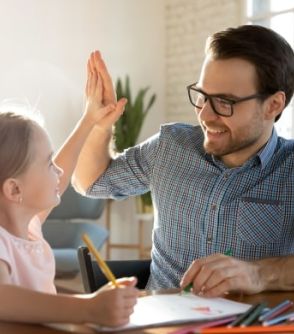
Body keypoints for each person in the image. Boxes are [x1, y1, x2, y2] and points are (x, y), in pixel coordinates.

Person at [73, 25, 294, 298]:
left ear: (273, 105)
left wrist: (257, 273)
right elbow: (90, 183)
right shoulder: (170, 147)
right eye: (202, 96)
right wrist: (99, 125)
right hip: (161, 322)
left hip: (247, 325)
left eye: (225, 102)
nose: (205, 115)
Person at [0, 52, 138, 326]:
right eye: (48, 163)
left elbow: (58, 181)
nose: (60, 171)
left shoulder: (28, 229)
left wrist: (89, 120)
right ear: (15, 191)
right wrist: (88, 308)